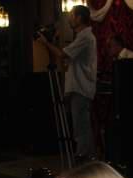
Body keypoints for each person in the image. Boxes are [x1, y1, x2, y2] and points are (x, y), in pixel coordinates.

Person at [37, 5, 97, 160]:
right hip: (78, 87)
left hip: (81, 88)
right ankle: (85, 157)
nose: (69, 19)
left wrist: (46, 43)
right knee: (79, 125)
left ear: (79, 18)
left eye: (71, 15)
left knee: (81, 126)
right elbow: (67, 59)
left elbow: (62, 55)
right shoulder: (82, 36)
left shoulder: (85, 37)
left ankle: (84, 157)